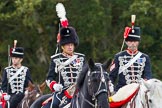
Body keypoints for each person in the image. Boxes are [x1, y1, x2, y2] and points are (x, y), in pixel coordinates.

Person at [42, 26, 86, 108]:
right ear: (62, 46)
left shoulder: (81, 58)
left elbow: (87, 74)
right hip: (62, 92)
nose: (70, 47)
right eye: (67, 45)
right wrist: (54, 85)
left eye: (72, 45)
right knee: (54, 105)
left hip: (79, 91)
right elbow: (49, 78)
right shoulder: (56, 59)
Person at [109, 18, 152, 92]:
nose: (133, 43)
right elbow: (112, 76)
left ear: (138, 42)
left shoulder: (145, 57)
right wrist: (110, 88)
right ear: (126, 42)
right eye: (130, 41)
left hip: (139, 90)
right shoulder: (119, 56)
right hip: (122, 90)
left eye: (135, 41)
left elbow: (148, 76)